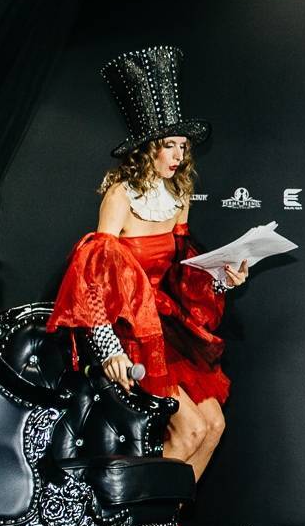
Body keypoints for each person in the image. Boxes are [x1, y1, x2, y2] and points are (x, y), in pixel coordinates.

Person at [47, 44, 242, 486]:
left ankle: (165, 520)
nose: (178, 156)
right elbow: (91, 279)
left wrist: (224, 280)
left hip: (168, 328)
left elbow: (183, 276)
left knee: (213, 427)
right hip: (129, 332)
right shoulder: (121, 196)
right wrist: (109, 349)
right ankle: (140, 518)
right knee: (189, 430)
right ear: (147, 148)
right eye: (169, 145)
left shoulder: (179, 196)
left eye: (183, 146)